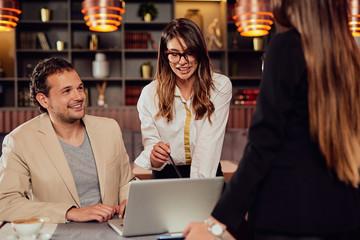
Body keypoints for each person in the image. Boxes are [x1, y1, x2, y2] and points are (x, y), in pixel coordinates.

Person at [183, 0, 360, 239]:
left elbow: (263, 144)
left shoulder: (287, 47)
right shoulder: (350, 56)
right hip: (346, 218)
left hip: (286, 219)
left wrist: (215, 224)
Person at [0, 58, 134, 223]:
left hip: (112, 229)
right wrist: (69, 213)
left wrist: (129, 200)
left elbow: (126, 182)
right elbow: (5, 204)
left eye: (79, 88)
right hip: (61, 232)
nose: (78, 96)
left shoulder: (110, 129)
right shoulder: (18, 141)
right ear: (44, 100)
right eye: (66, 91)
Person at [134, 18, 232, 178]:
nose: (182, 62)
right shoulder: (149, 94)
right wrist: (155, 157)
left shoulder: (220, 86)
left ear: (200, 51)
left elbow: (208, 144)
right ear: (165, 55)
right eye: (174, 54)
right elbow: (151, 144)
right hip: (166, 176)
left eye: (189, 53)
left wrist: (197, 189)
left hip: (207, 173)